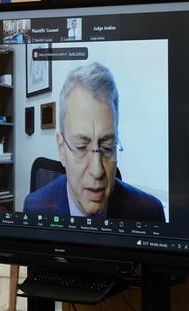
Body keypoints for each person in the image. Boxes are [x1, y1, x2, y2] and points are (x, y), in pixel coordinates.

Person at [23, 62, 165, 221]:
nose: (97, 172)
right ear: (62, 149)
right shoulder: (34, 208)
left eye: (107, 147)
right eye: (81, 147)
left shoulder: (150, 213)